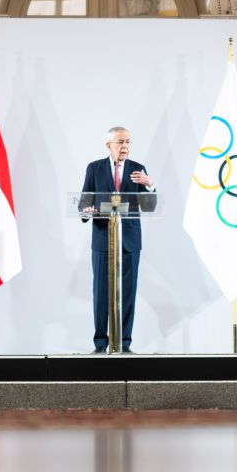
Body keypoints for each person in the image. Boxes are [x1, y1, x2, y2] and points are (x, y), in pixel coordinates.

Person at [78, 126, 157, 353]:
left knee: (128, 293)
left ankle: (124, 344)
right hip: (103, 239)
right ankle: (101, 344)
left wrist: (149, 184)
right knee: (101, 292)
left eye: (128, 142)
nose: (125, 147)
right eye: (120, 142)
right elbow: (84, 203)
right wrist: (87, 211)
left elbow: (149, 207)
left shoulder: (138, 170)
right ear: (108, 145)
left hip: (129, 240)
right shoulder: (94, 169)